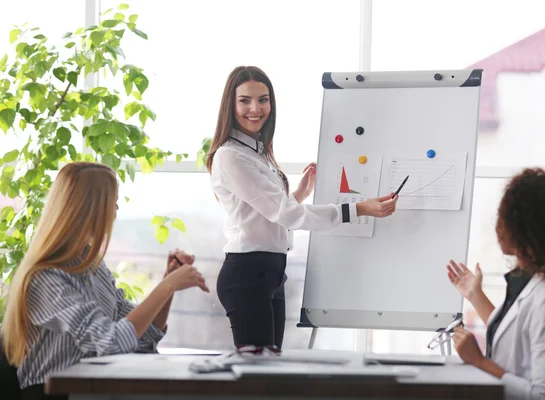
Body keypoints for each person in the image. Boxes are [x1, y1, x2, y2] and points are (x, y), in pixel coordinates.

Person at [206, 66, 398, 349]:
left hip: (270, 271)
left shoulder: (257, 152)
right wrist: (358, 209)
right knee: (257, 380)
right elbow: (286, 215)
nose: (256, 108)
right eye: (245, 100)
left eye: (263, 99)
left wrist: (298, 193)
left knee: (268, 375)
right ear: (230, 105)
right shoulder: (231, 156)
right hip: (247, 274)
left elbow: (270, 213)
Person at [2, 162, 209, 400]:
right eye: (112, 201)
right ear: (89, 209)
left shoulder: (93, 267)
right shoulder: (45, 279)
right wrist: (167, 286)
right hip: (56, 394)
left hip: (94, 390)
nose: (117, 208)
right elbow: (111, 342)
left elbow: (142, 338)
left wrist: (168, 281)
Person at [446, 168, 545, 400]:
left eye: (503, 217)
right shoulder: (537, 281)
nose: (497, 226)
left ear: (525, 228)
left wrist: (478, 361)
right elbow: (520, 338)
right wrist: (475, 295)